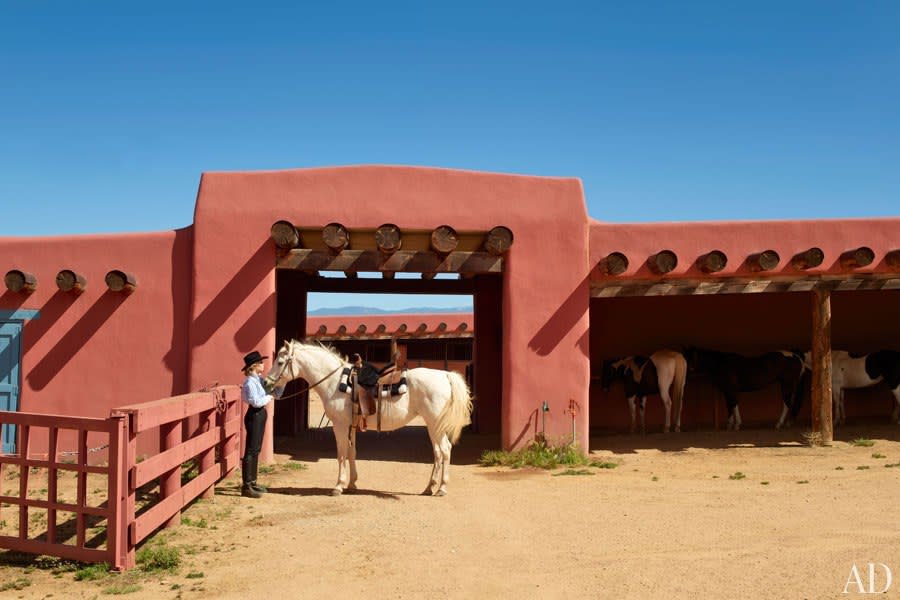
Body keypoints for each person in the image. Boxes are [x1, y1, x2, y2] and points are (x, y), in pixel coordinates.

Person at [240, 350, 282, 499]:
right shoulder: (250, 383)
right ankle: (247, 486)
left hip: (259, 414)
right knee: (251, 450)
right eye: (261, 363)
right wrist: (269, 397)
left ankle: (253, 482)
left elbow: (276, 393)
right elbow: (256, 401)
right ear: (254, 366)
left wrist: (281, 383)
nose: (264, 365)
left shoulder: (258, 379)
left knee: (256, 449)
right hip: (254, 414)